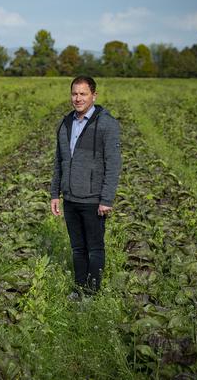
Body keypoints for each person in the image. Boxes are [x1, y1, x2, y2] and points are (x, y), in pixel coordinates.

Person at [50, 76, 121, 298]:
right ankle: (79, 289)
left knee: (94, 248)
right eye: (74, 94)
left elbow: (113, 164)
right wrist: (55, 194)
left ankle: (91, 294)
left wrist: (106, 199)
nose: (78, 98)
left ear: (94, 95)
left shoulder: (107, 124)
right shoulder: (66, 123)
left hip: (93, 198)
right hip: (70, 198)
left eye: (83, 94)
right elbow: (59, 161)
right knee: (77, 248)